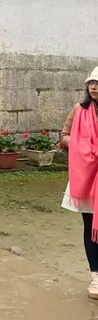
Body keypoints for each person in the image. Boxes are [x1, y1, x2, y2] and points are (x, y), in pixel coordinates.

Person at [58, 67, 98, 299]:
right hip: (85, 178)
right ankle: (95, 274)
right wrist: (81, 145)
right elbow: (64, 135)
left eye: (97, 83)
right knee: (90, 227)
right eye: (91, 83)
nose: (93, 87)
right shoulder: (80, 110)